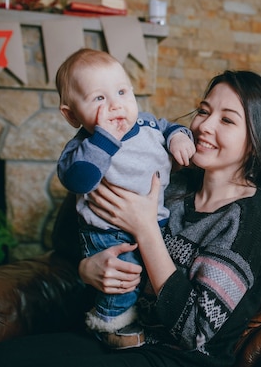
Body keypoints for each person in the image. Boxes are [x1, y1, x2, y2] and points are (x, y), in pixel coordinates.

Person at [0, 69, 261, 367]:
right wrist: (89, 270)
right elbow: (83, 237)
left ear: (256, 140)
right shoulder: (171, 183)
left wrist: (146, 229)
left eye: (227, 120)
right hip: (117, 336)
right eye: (203, 111)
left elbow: (194, 330)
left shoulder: (252, 218)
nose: (204, 126)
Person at [54, 48, 196, 349]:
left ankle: (140, 321)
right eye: (98, 98)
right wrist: (105, 138)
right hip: (107, 232)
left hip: (154, 224)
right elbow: (79, 179)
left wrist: (179, 137)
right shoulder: (84, 146)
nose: (115, 105)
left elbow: (169, 127)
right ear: (71, 115)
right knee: (123, 280)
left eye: (121, 92)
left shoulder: (146, 123)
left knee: (150, 279)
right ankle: (109, 322)